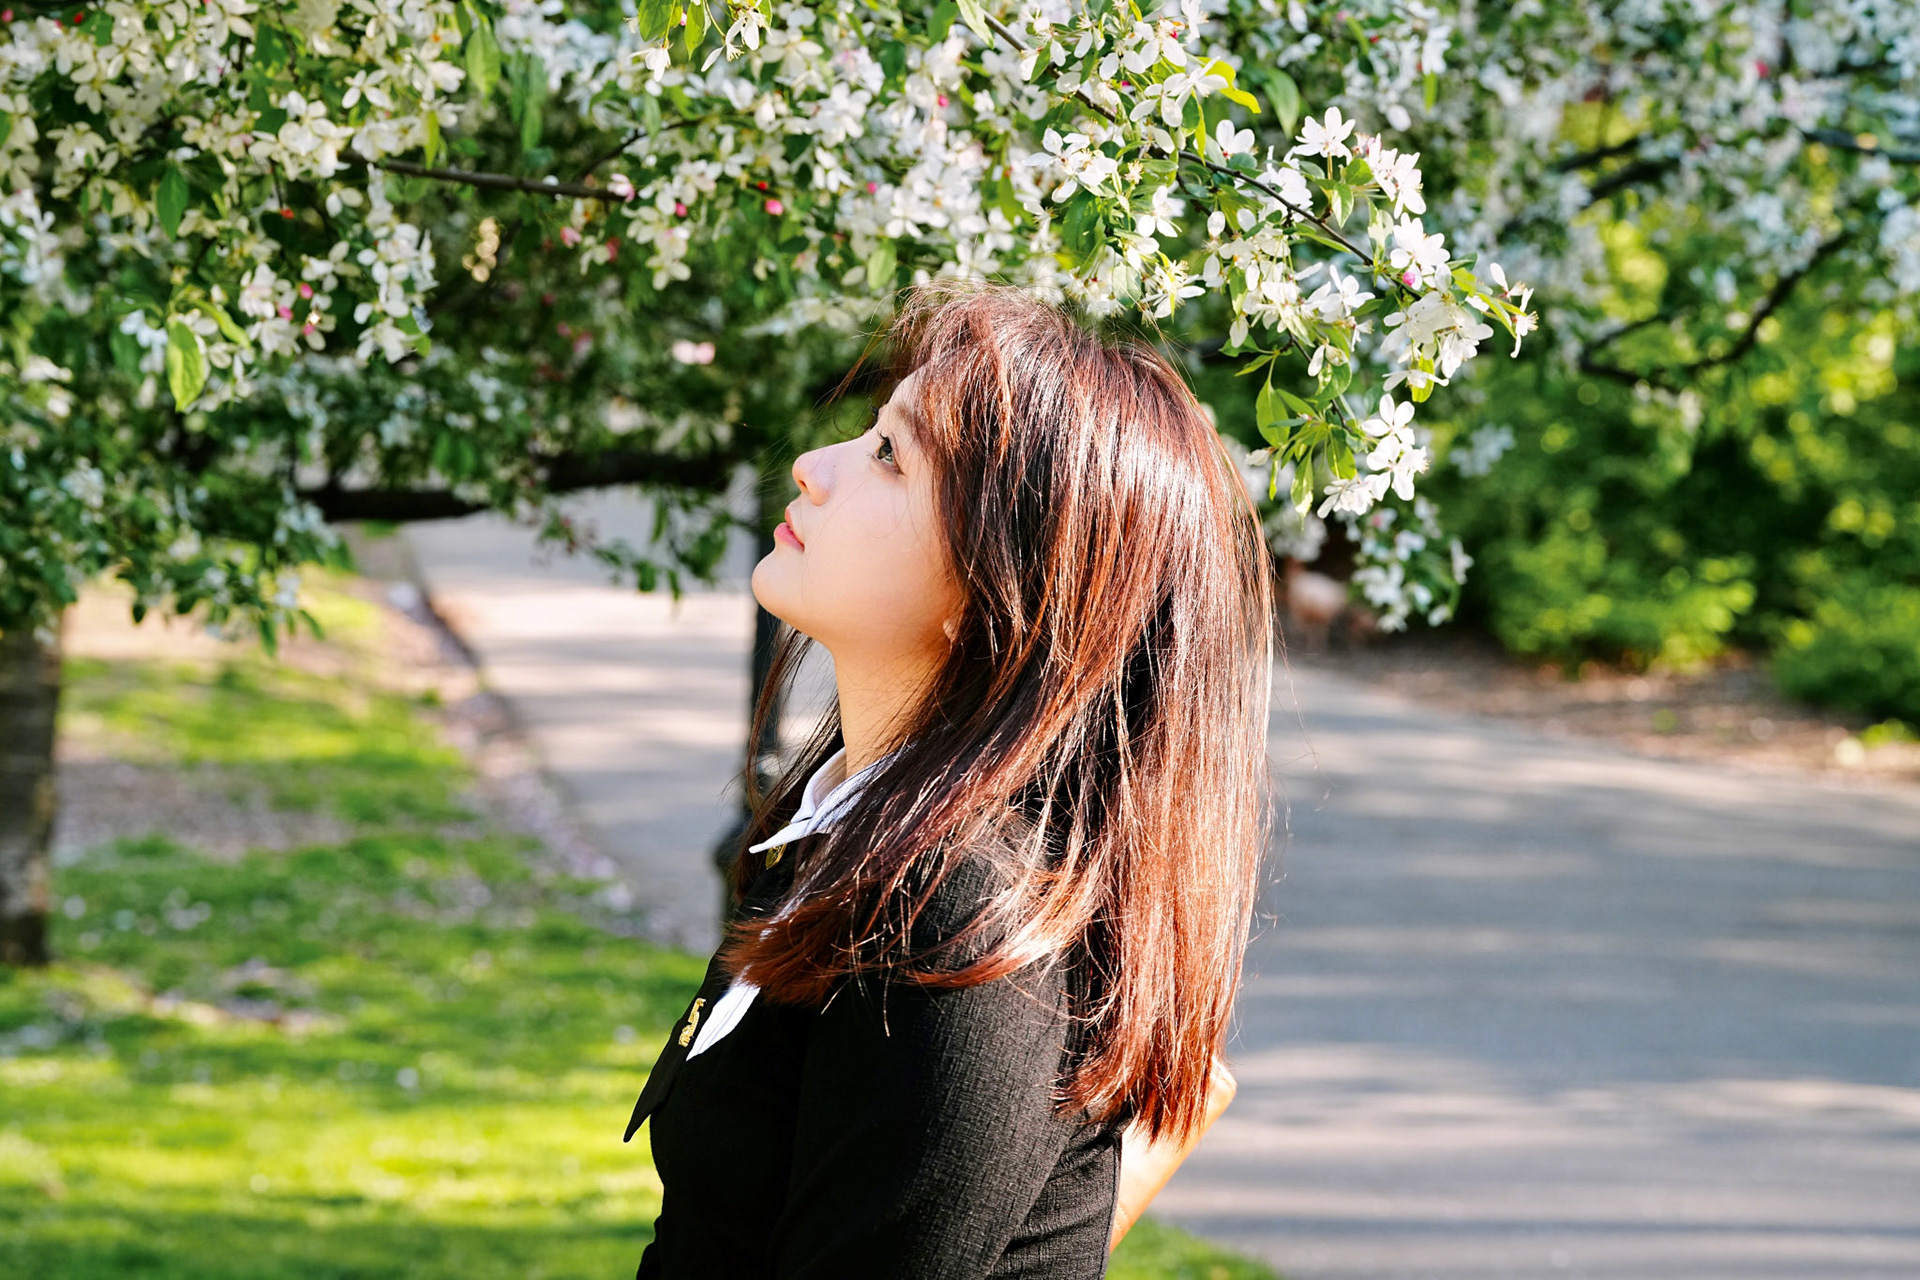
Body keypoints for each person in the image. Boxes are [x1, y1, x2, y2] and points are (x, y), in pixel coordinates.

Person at [623, 278, 1275, 1278]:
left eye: (890, 454)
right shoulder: (848, 830)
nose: (813, 467)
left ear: (1000, 587)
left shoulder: (954, 916)